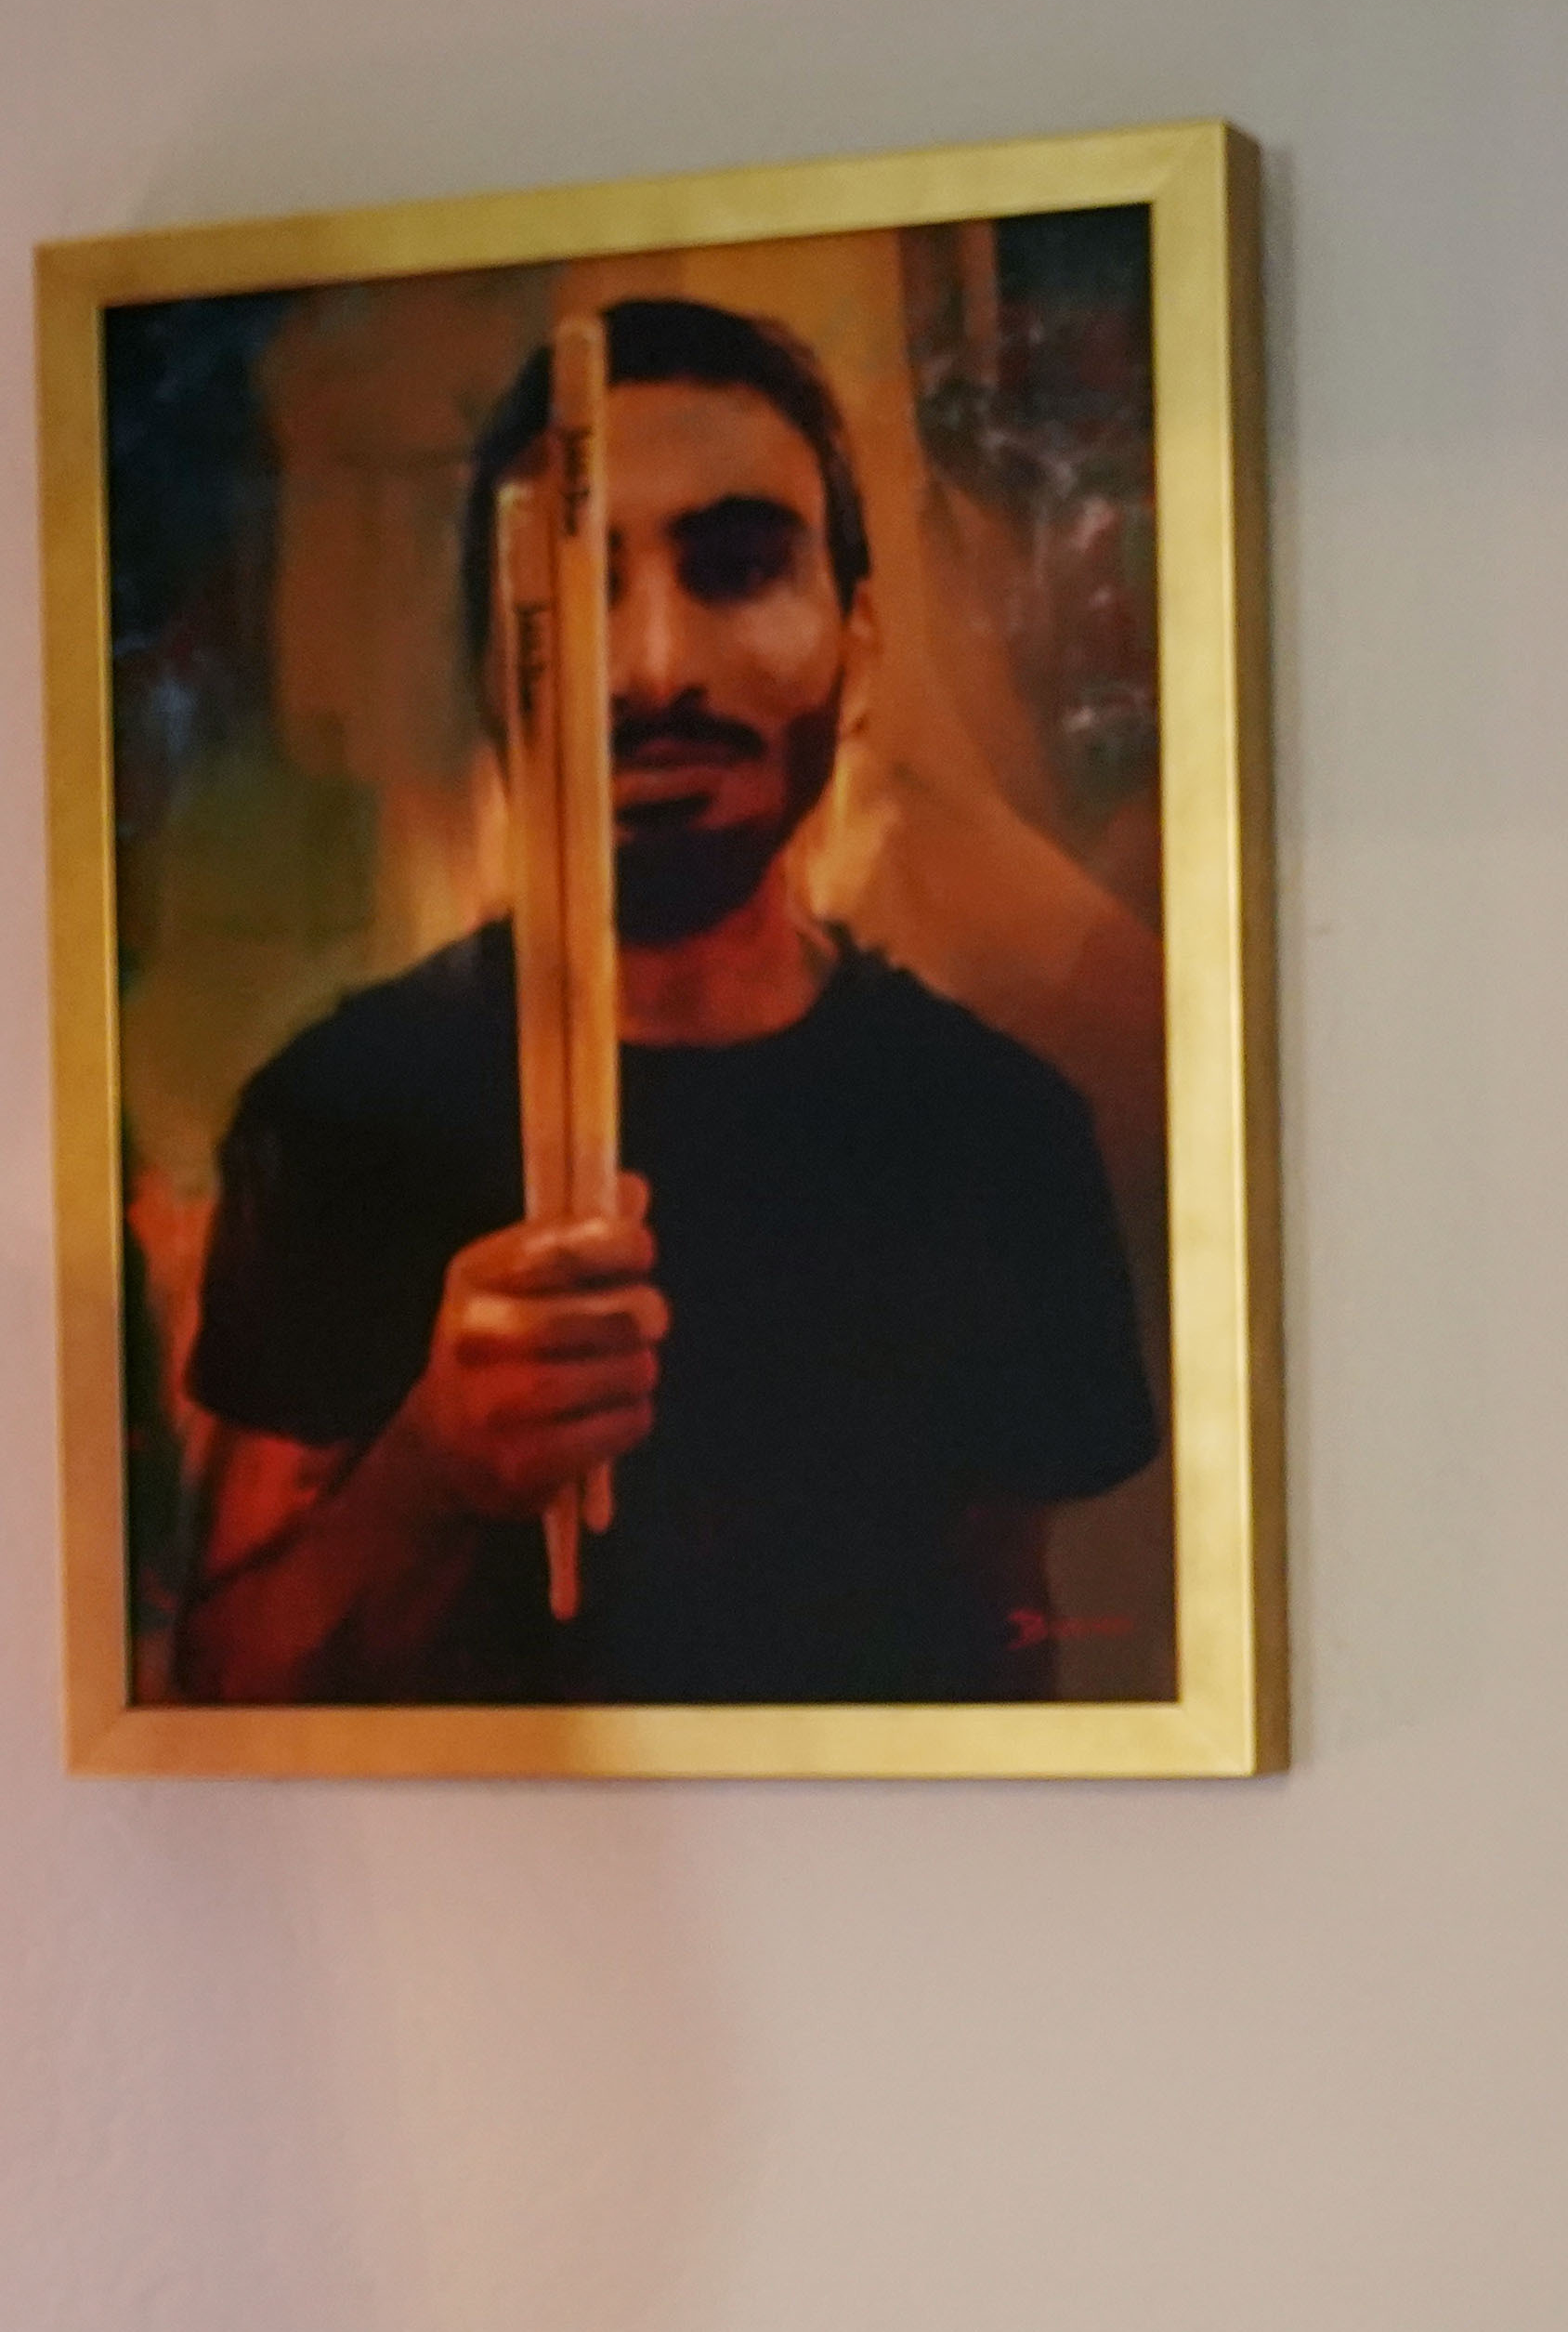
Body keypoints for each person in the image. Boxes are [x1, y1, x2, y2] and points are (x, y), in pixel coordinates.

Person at [168, 295, 1156, 1705]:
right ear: (493, 672)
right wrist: (432, 1469)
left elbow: (1015, 1657)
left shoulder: (1001, 1137)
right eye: (574, 594)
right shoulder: (338, 1116)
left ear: (861, 644)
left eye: (739, 569)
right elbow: (220, 1689)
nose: (652, 668)